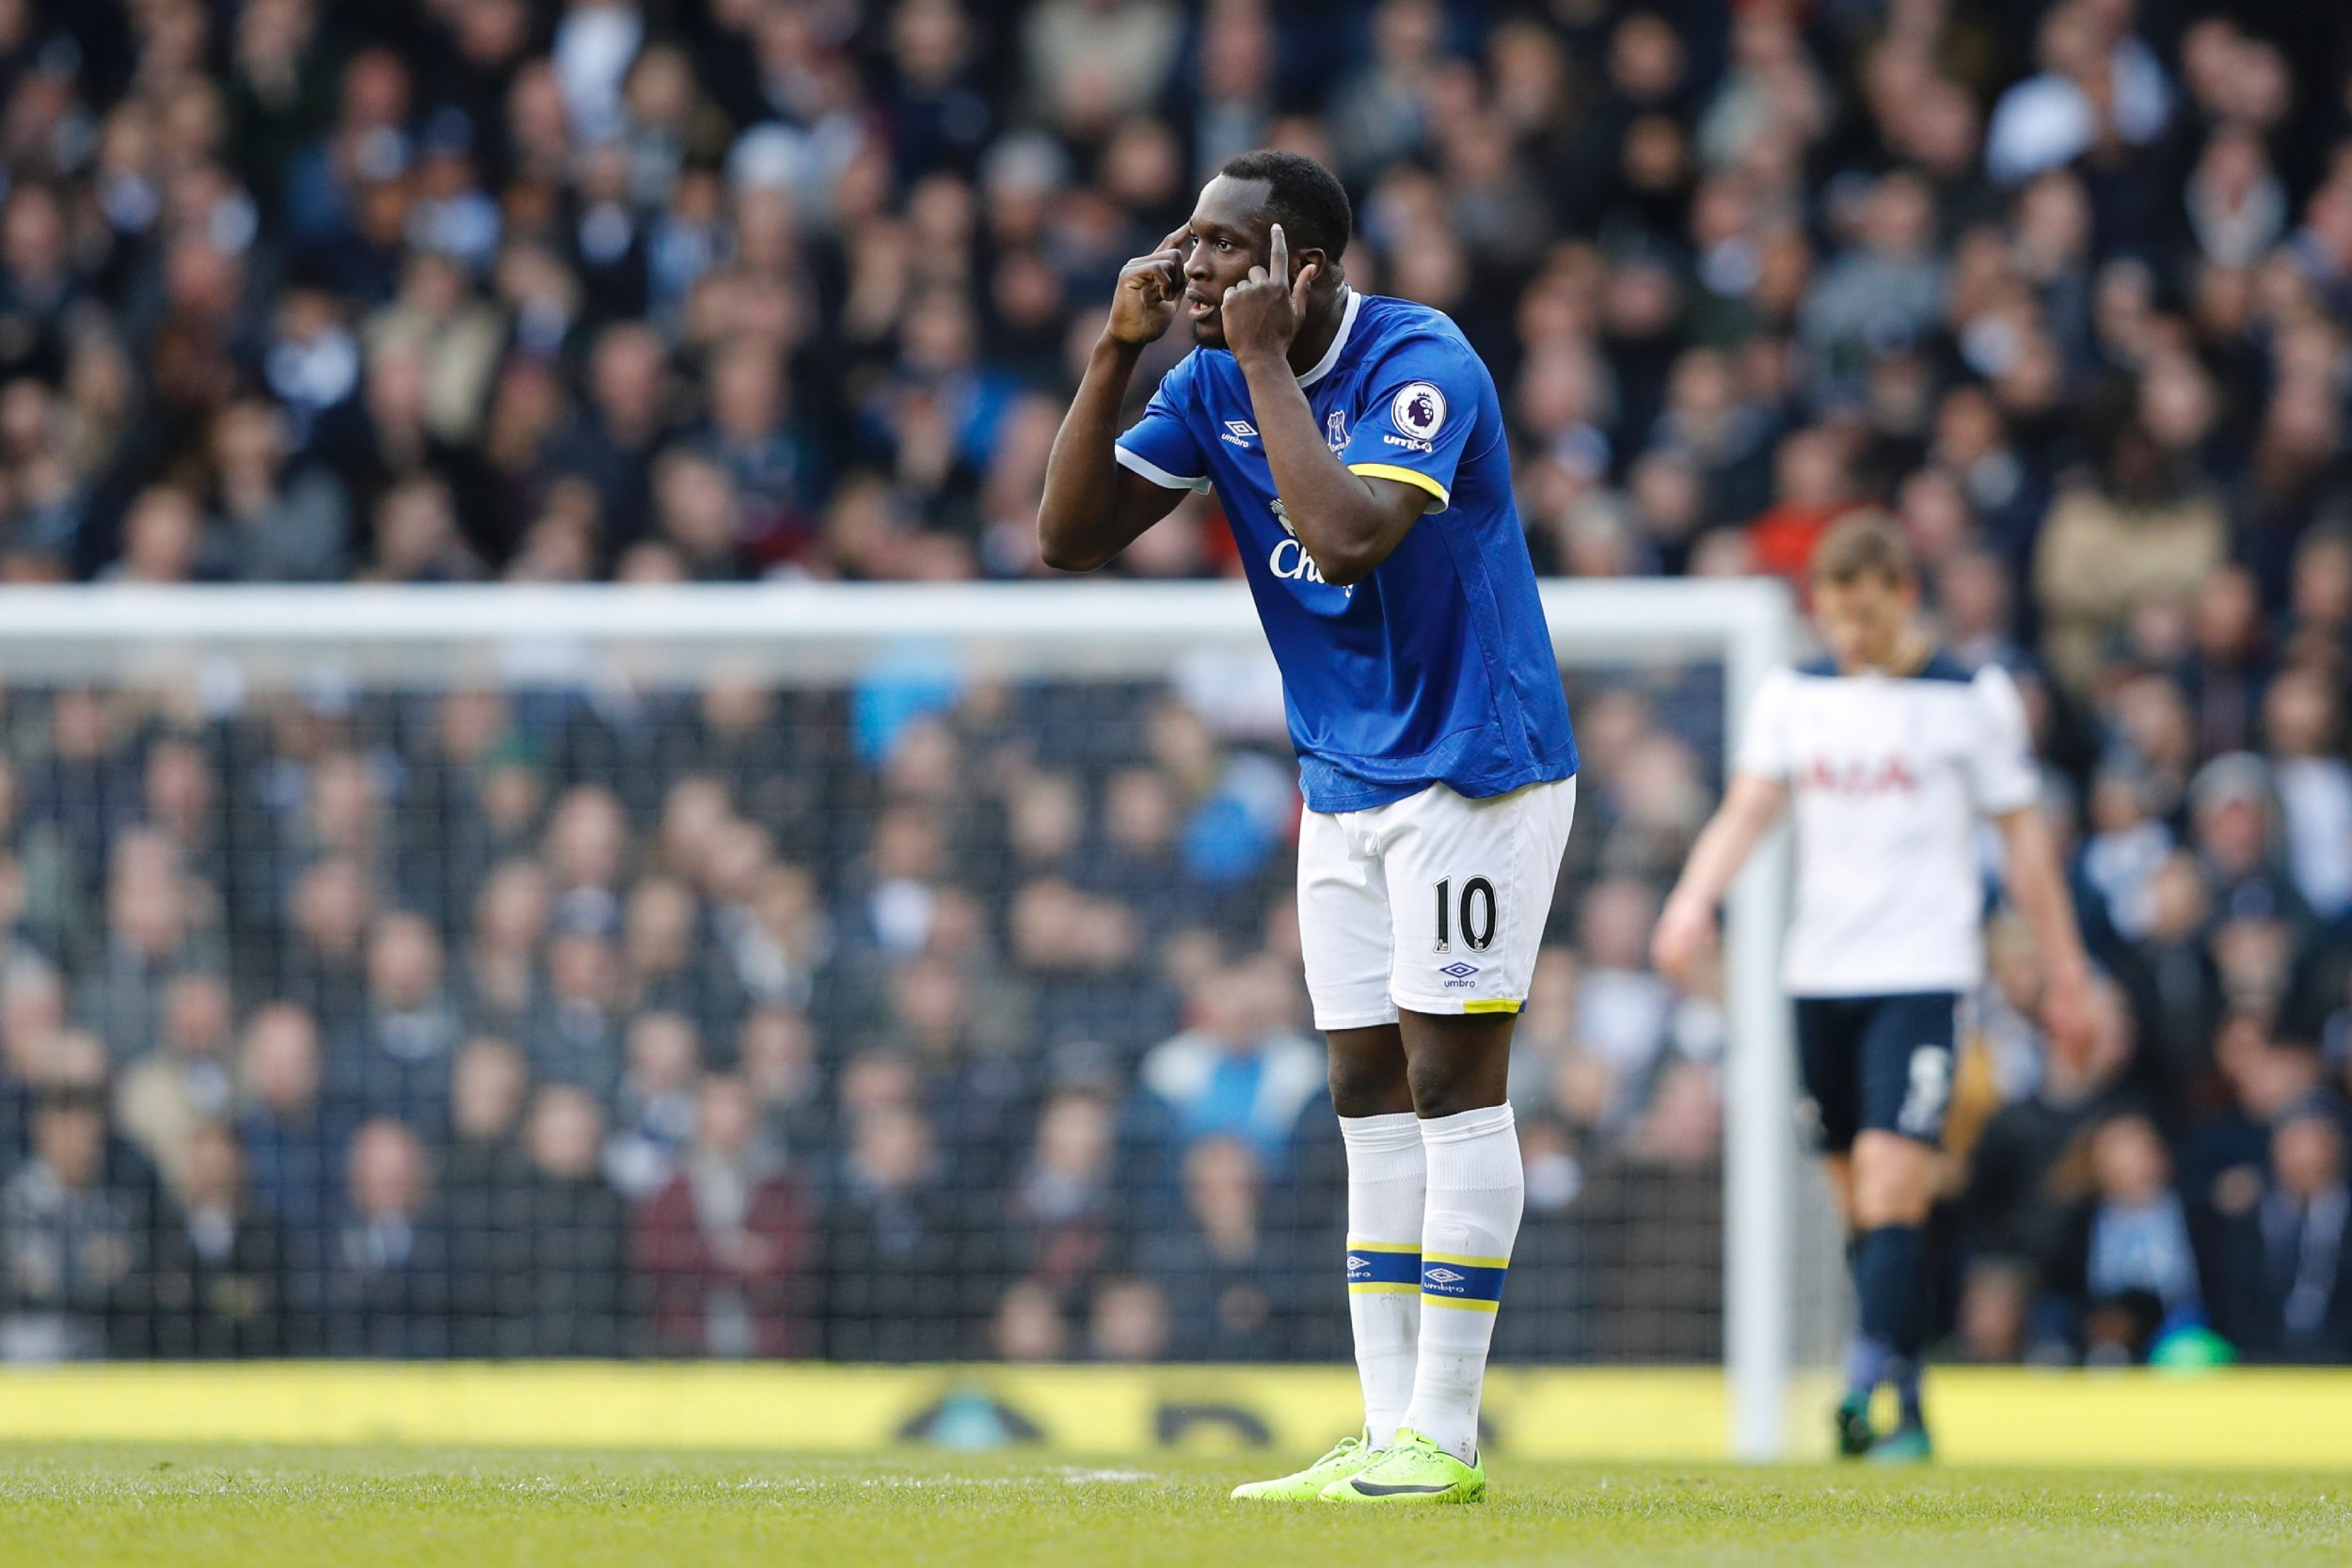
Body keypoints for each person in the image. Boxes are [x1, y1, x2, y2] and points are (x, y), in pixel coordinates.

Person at [1039, 149, 1580, 1504]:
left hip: (1477, 763)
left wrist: (1265, 364)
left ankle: (1444, 1433)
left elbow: (1344, 537)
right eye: (1195, 244)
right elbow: (1067, 533)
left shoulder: (1424, 361)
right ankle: (1385, 1420)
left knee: (1454, 1081)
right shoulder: (1209, 374)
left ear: (1307, 268)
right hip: (1340, 779)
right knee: (1363, 1094)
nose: (1199, 267)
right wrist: (1116, 354)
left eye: (1227, 248)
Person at [1653, 515, 2093, 1462]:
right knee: (1862, 1202)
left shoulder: (1971, 697)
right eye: (1833, 616)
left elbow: (2024, 846)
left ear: (1902, 594)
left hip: (1923, 974)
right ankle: (1905, 1390)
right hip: (1818, 976)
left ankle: (1862, 1381)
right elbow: (1748, 809)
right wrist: (1691, 901)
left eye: (1862, 615)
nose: (1847, 636)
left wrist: (2065, 970)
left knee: (1897, 1175)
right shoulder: (1796, 693)